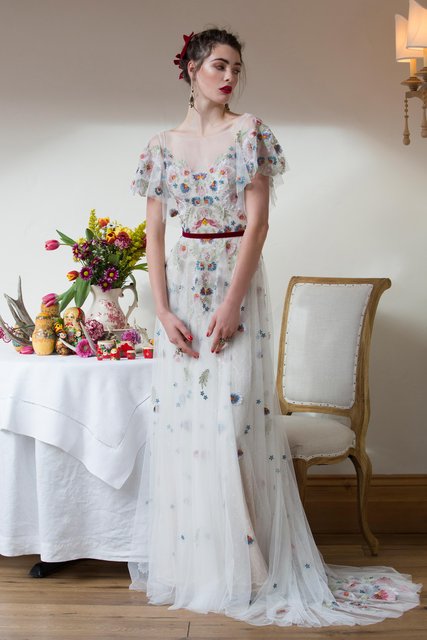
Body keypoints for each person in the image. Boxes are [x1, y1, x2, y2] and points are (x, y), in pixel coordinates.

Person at [128, 27, 420, 627]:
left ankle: (255, 565)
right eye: (219, 65)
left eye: (236, 67)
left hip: (235, 285)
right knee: (188, 426)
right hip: (181, 290)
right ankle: (202, 565)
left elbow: (257, 226)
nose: (230, 76)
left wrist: (233, 305)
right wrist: (163, 309)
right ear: (190, 69)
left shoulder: (251, 133)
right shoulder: (160, 146)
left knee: (235, 424)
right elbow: (153, 235)